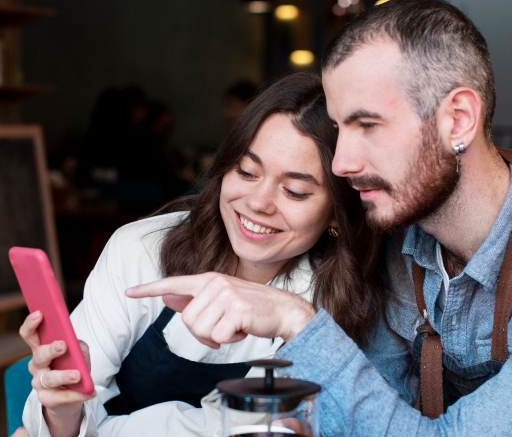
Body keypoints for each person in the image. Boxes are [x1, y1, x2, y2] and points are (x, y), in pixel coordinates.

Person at [128, 0, 512, 436]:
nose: (341, 163)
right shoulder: (396, 238)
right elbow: (365, 421)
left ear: (458, 119)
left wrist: (298, 322)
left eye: (368, 126)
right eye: (339, 130)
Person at [19, 72, 385, 437]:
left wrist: (107, 428)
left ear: (337, 209)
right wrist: (64, 412)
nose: (258, 203)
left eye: (294, 191)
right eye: (246, 171)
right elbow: (50, 425)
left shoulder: (329, 304)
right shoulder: (139, 250)